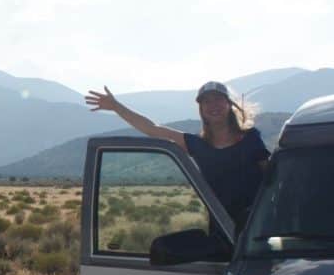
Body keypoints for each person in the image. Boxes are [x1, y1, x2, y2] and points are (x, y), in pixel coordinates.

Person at [85, 80, 270, 230]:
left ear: (229, 104)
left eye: (218, 99)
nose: (213, 105)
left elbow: (271, 177)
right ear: (201, 109)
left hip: (258, 224)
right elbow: (152, 129)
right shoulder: (198, 145)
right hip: (223, 227)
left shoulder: (250, 138)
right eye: (207, 101)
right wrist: (117, 107)